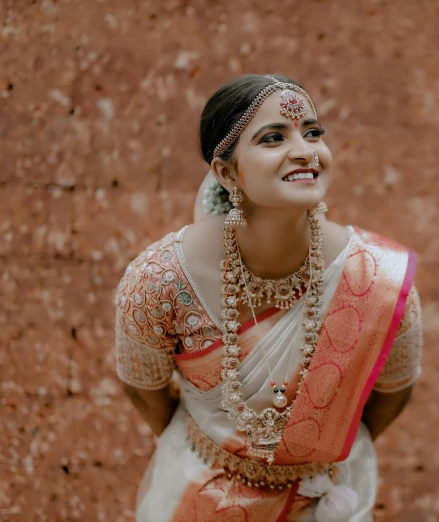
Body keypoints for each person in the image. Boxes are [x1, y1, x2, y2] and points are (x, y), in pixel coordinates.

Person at [114, 74, 422, 521]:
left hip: (322, 502)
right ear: (225, 172)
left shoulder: (377, 280)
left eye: (312, 132)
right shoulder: (161, 281)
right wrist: (219, 452)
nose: (305, 150)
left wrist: (315, 449)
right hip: (196, 495)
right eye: (273, 138)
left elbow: (393, 392)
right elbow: (143, 387)